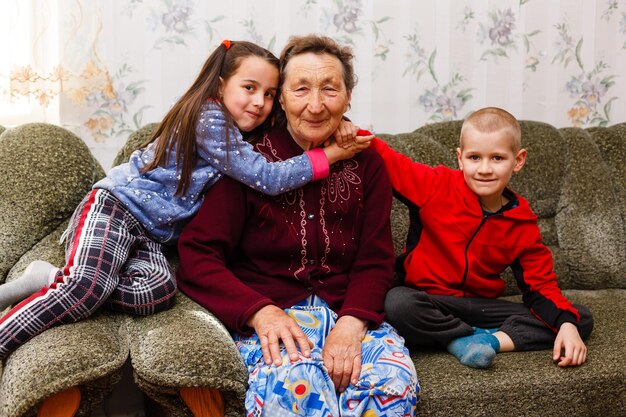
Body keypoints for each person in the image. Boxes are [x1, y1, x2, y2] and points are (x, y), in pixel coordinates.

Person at [0, 40, 366, 360]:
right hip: (117, 207)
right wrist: (330, 155)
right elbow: (267, 177)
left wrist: (342, 122)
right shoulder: (209, 119)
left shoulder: (246, 133)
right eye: (250, 87)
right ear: (221, 87)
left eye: (270, 94)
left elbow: (308, 114)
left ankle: (51, 277)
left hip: (150, 234)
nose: (260, 102)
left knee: (158, 291)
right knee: (86, 288)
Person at [177, 34, 419, 416]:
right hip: (273, 317)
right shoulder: (249, 164)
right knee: (295, 384)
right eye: (301, 89)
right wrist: (260, 312)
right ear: (281, 100)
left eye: (330, 89)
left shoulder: (367, 163)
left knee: (389, 384)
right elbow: (197, 254)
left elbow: (375, 260)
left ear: (348, 96)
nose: (316, 106)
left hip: (348, 315)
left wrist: (351, 326)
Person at [363, 106, 593, 369]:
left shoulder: (522, 222)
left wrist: (566, 324)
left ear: (518, 160)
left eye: (497, 158)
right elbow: (385, 156)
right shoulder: (435, 186)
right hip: (426, 298)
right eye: (475, 158)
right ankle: (465, 339)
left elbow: (542, 288)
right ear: (460, 159)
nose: (484, 169)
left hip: (479, 307)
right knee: (396, 303)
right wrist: (342, 125)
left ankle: (488, 341)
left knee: (578, 318)